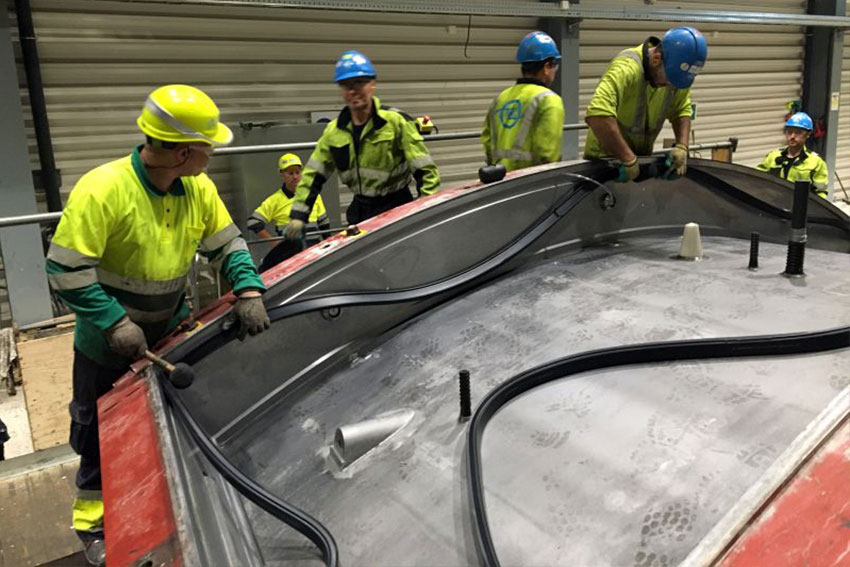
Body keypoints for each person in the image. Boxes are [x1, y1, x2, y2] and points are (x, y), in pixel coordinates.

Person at [45, 84, 270, 566]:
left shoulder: (198, 190)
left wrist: (248, 289)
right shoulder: (103, 190)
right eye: (209, 145)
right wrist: (112, 322)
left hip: (168, 336)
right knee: (97, 437)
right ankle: (93, 526)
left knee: (158, 429)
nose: (212, 153)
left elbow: (228, 246)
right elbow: (65, 269)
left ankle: (152, 512)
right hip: (106, 347)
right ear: (184, 151)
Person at [284, 50, 440, 239]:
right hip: (361, 212)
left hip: (397, 206)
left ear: (372, 84)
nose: (353, 90)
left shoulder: (396, 122)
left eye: (359, 83)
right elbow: (313, 175)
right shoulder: (334, 131)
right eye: (346, 85)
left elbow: (426, 171)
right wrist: (299, 215)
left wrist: (425, 209)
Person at [584, 26, 708, 182]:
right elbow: (598, 115)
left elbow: (681, 108)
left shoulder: (675, 74)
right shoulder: (626, 69)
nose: (671, 86)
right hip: (605, 163)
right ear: (656, 59)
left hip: (637, 161)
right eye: (669, 80)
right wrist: (627, 159)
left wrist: (682, 146)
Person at [481, 31, 565, 172]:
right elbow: (548, 153)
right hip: (530, 185)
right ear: (546, 67)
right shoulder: (550, 100)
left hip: (498, 180)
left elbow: (487, 139)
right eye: (555, 64)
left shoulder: (501, 98)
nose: (555, 70)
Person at [247, 153, 332, 271]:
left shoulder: (314, 195)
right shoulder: (274, 200)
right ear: (282, 175)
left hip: (314, 255)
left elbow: (324, 224)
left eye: (298, 172)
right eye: (290, 173)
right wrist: (274, 243)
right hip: (290, 259)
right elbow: (253, 222)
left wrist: (330, 245)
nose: (295, 177)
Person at [756, 112, 829, 198]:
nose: (792, 136)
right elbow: (757, 179)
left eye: (798, 132)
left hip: (800, 208)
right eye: (789, 132)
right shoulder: (773, 156)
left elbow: (821, 192)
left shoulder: (816, 163)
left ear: (808, 134)